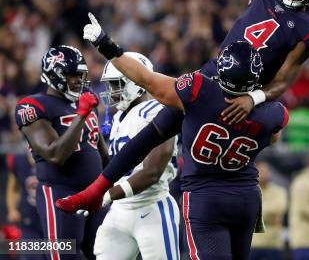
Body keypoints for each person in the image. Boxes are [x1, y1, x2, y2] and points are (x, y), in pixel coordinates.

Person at [55, 31, 289, 260]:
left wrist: (105, 44)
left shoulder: (198, 91)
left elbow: (147, 80)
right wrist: (256, 98)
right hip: (245, 198)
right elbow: (274, 134)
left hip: (202, 198)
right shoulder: (272, 114)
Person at [14, 45, 108, 259]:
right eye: (71, 74)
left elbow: (103, 155)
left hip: (94, 193)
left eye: (80, 74)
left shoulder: (82, 103)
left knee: (105, 253)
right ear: (52, 74)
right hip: (61, 192)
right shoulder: (32, 106)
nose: (78, 80)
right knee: (66, 255)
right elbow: (55, 155)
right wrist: (82, 114)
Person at [93, 53, 180, 260]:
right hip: (119, 210)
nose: (111, 92)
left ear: (135, 83)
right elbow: (115, 168)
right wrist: (95, 140)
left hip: (152, 208)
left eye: (115, 84)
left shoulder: (155, 110)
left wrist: (106, 194)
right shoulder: (117, 118)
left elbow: (152, 172)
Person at [5, 150, 45, 260]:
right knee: (32, 256)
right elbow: (13, 187)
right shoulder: (19, 160)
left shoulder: (54, 159)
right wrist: (12, 209)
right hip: (29, 220)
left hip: (52, 218)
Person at [250, 161, 287, 260]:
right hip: (252, 244)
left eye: (266, 171)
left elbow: (280, 208)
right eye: (261, 171)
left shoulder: (279, 191)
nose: (265, 173)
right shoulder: (248, 191)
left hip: (273, 244)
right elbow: (246, 211)